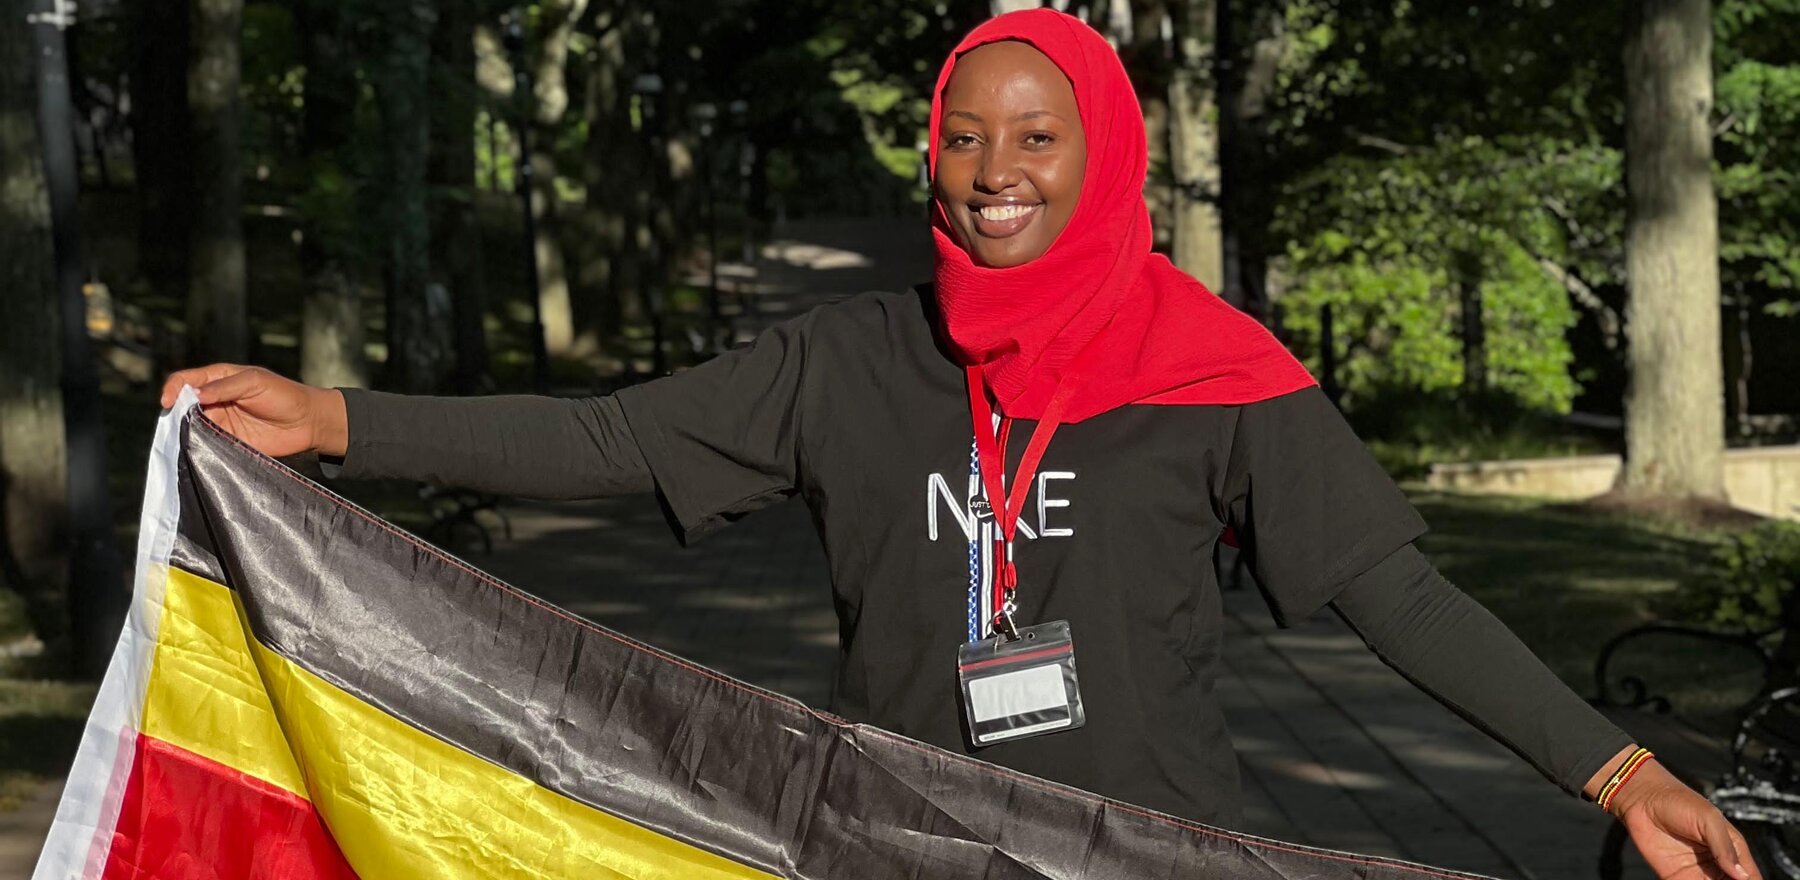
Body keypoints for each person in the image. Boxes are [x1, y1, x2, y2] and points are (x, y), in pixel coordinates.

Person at [162, 10, 1757, 879]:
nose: (994, 169)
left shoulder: (1217, 367)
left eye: (1035, 133)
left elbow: (1397, 598)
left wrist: (1615, 772)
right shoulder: (854, 357)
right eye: (964, 134)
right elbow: (607, 437)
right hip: (894, 846)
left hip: (1154, 852)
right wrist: (339, 422)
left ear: (1103, 151)